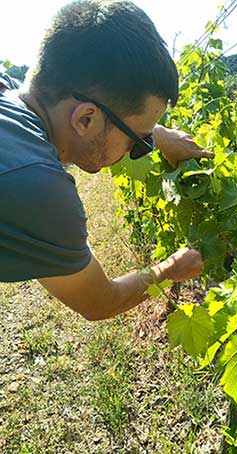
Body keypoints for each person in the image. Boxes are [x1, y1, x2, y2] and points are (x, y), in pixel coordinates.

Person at [0, 0, 212, 321]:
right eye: (138, 141)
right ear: (85, 119)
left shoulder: (11, 95)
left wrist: (157, 134)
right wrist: (169, 268)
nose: (136, 151)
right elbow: (100, 302)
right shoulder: (37, 186)